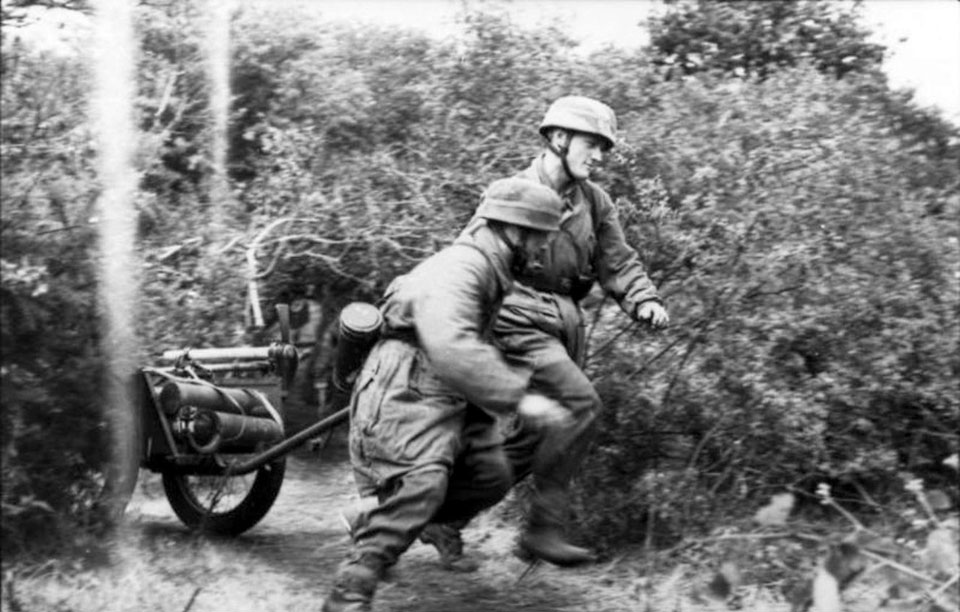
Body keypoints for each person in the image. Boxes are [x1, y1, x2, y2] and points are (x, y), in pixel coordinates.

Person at [425, 95, 670, 568]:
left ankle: (437, 516)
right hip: (515, 319)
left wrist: (644, 299)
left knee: (537, 437)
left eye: (604, 147)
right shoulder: (511, 190)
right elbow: (471, 257)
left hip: (562, 326)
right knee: (581, 404)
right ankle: (542, 531)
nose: (599, 156)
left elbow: (618, 261)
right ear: (558, 138)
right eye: (591, 144)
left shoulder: (594, 203)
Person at [322, 178, 571, 612]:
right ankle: (352, 586)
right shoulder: (462, 267)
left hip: (443, 388)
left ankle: (378, 515)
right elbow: (452, 347)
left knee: (491, 474)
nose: (543, 249)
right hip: (406, 383)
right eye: (541, 237)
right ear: (515, 231)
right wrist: (520, 397)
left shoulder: (488, 267)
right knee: (426, 480)